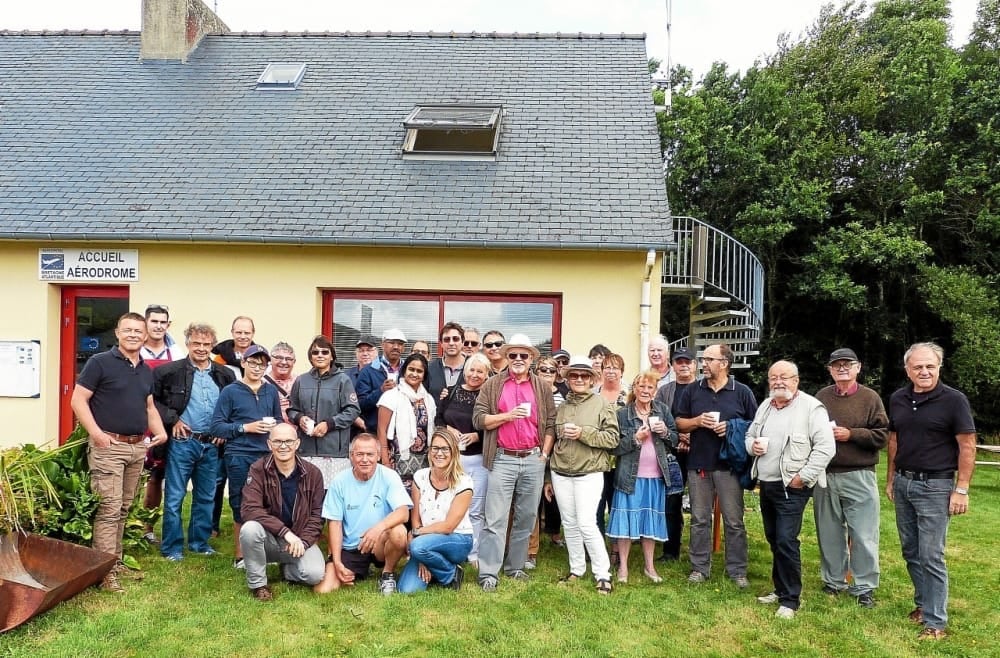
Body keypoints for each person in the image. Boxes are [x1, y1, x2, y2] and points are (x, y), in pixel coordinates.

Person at [70, 312, 169, 592]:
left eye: (139, 331)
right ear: (117, 332)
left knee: (124, 508)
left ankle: (114, 562)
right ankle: (103, 573)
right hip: (109, 447)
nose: (134, 335)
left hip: (137, 447)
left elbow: (149, 407)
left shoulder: (145, 370)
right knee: (109, 509)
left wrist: (159, 431)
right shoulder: (99, 363)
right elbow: (78, 400)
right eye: (128, 330)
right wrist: (97, 434)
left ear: (145, 334)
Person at [885, 342, 976, 641]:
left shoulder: (954, 401)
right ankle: (923, 606)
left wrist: (961, 489)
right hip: (904, 482)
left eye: (930, 366)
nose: (924, 371)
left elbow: (967, 445)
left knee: (931, 555)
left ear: (939, 367)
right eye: (918, 367)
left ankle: (936, 623)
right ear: (907, 369)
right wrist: (890, 479)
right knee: (910, 550)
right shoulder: (898, 398)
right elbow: (894, 442)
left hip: (936, 486)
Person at [747, 360, 835, 619]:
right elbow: (749, 436)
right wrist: (753, 447)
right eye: (773, 377)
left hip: (793, 486)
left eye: (784, 377)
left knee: (786, 539)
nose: (778, 382)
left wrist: (804, 477)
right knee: (774, 537)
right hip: (767, 483)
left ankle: (791, 600)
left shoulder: (811, 408)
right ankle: (780, 588)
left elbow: (826, 448)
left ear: (796, 380)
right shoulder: (765, 406)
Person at [473, 334, 556, 592]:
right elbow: (479, 419)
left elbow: (551, 423)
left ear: (531, 358)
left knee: (527, 517)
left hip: (533, 458)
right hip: (503, 458)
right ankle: (488, 572)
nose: (518, 360)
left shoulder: (541, 387)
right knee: (495, 518)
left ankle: (516, 566)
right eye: (513, 355)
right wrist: (507, 416)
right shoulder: (493, 384)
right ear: (506, 358)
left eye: (523, 355)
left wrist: (543, 455)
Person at [674, 343, 758, 588]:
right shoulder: (692, 390)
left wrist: (732, 427)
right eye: (704, 359)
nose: (703, 364)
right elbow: (679, 422)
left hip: (729, 464)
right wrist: (698, 421)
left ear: (724, 363)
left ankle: (737, 571)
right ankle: (699, 568)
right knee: (700, 519)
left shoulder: (742, 392)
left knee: (734, 520)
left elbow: (755, 424)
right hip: (699, 463)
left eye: (709, 359)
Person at [152, 322, 236, 562]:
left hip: (212, 444)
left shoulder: (225, 374)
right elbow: (152, 402)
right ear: (187, 343)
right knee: (175, 496)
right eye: (196, 343)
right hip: (183, 442)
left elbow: (232, 405)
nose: (201, 348)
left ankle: (200, 543)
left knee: (206, 496)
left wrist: (225, 430)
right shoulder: (168, 372)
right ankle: (172, 548)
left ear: (212, 346)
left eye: (206, 344)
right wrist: (173, 420)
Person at [813, 348, 889, 609]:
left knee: (864, 534)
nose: (842, 369)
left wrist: (851, 434)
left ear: (858, 367)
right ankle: (833, 581)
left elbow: (882, 436)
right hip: (826, 474)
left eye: (848, 364)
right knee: (829, 532)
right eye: (837, 365)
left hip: (859, 474)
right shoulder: (821, 397)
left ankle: (864, 587)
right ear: (830, 370)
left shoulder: (870, 398)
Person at [550, 355, 619, 594]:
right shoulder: (562, 407)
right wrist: (549, 477)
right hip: (560, 473)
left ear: (592, 379)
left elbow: (612, 439)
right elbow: (554, 440)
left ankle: (603, 574)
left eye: (584, 375)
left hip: (589, 473)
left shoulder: (602, 404)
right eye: (574, 375)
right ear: (567, 379)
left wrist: (582, 433)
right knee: (569, 523)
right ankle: (576, 568)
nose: (579, 379)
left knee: (587, 524)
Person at [210, 344, 283, 569]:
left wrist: (276, 428)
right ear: (243, 363)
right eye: (253, 363)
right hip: (239, 454)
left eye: (262, 364)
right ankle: (241, 556)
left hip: (266, 454)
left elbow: (279, 419)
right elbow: (217, 427)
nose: (257, 368)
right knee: (240, 503)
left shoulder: (270, 391)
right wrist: (246, 428)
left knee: (269, 502)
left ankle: (266, 551)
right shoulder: (230, 391)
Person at [315, 433, 412, 595]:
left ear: (379, 456)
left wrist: (378, 528)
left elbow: (403, 512)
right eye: (359, 454)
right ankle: (351, 569)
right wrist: (337, 561)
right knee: (324, 590)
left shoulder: (389, 476)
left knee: (399, 532)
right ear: (351, 456)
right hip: (353, 546)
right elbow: (335, 524)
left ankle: (387, 574)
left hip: (380, 542)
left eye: (370, 454)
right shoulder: (339, 481)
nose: (365, 459)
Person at [239, 423, 326, 601]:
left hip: (298, 539)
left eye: (288, 441)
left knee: (315, 574)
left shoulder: (313, 473)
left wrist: (303, 541)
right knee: (249, 529)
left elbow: (317, 516)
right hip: (267, 539)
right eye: (278, 441)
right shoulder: (258, 469)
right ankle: (259, 585)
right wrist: (285, 532)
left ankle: (286, 569)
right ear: (269, 444)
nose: (283, 446)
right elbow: (249, 509)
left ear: (297, 444)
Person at [608, 370, 680, 583]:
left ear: (655, 391)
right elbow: (613, 447)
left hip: (655, 476)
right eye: (642, 386)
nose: (645, 391)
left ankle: (650, 566)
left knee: (650, 523)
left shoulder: (663, 411)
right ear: (635, 389)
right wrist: (635, 439)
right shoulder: (623, 414)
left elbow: (675, 440)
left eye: (650, 387)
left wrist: (665, 431)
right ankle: (623, 568)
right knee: (625, 524)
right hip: (629, 477)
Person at [398, 428, 475, 593]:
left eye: (445, 449)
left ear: (453, 452)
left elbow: (448, 526)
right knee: (407, 590)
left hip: (457, 539)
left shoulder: (464, 482)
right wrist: (421, 556)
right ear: (430, 450)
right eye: (435, 448)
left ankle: (450, 574)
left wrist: (418, 534)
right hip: (424, 542)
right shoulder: (420, 476)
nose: (439, 453)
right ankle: (437, 567)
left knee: (417, 546)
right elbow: (415, 518)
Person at [436, 352, 491, 563]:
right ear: (465, 371)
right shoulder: (450, 392)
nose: (474, 375)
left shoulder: (488, 397)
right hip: (452, 460)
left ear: (487, 375)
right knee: (448, 506)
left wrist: (478, 435)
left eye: (480, 371)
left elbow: (494, 426)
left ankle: (473, 553)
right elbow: (439, 418)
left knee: (475, 508)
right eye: (471, 370)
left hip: (478, 460)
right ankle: (447, 547)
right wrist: (449, 428)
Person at [139, 303, 186, 544]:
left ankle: (147, 528)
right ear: (146, 323)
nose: (158, 326)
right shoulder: (134, 350)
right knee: (132, 476)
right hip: (135, 420)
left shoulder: (176, 353)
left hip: (163, 421)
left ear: (168, 325)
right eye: (154, 321)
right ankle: (121, 526)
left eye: (162, 322)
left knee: (156, 476)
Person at [287, 336, 361, 488]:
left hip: (334, 453)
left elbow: (353, 410)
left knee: (332, 498)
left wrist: (330, 424)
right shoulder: (301, 380)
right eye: (315, 352)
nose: (320, 355)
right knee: (306, 496)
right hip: (306, 450)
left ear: (332, 356)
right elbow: (292, 409)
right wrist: (299, 418)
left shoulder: (343, 380)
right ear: (310, 357)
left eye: (324, 352)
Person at [209, 315, 258, 536]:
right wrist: (222, 426)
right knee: (218, 479)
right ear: (232, 332)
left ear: (253, 334)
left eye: (247, 332)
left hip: (251, 431)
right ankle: (212, 526)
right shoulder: (218, 360)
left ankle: (252, 523)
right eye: (239, 332)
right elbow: (215, 395)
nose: (243, 336)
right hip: (225, 427)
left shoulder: (257, 357)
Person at [654, 346, 696, 561]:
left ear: (694, 365)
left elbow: (706, 420)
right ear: (673, 365)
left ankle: (699, 553)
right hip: (671, 452)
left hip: (698, 453)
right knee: (672, 502)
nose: (684, 365)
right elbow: (658, 418)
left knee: (699, 505)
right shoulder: (665, 391)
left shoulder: (702, 389)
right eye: (679, 362)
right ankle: (671, 550)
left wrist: (691, 437)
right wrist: (678, 437)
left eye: (687, 361)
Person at [377, 353, 436, 489]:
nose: (414, 374)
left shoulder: (428, 399)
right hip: (397, 461)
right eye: (411, 369)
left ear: (424, 375)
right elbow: (381, 430)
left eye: (419, 371)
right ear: (404, 371)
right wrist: (385, 461)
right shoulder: (391, 396)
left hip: (424, 463)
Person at [531, 356, 564, 555]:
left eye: (552, 370)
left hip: (555, 450)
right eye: (543, 369)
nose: (547, 373)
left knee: (552, 496)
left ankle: (553, 533)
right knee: (533, 497)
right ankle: (532, 540)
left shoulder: (562, 396)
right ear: (536, 371)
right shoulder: (531, 393)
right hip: (532, 448)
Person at [355, 328, 407, 432]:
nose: (396, 347)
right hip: (376, 431)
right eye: (391, 343)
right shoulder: (368, 371)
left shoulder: (408, 370)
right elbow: (360, 405)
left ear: (404, 348)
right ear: (382, 345)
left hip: (403, 431)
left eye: (400, 344)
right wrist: (380, 391)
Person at [426, 321, 466, 401]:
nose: (451, 343)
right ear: (441, 343)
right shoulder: (430, 368)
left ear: (463, 342)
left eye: (455, 339)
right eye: (447, 339)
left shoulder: (473, 367)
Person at [266, 341, 298, 423]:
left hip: (296, 433)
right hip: (271, 431)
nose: (284, 362)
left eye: (289, 359)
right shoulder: (261, 382)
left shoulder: (300, 382)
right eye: (279, 358)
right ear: (270, 359)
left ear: (294, 362)